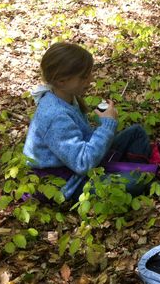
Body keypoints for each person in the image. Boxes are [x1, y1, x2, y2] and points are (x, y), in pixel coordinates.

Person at [23, 42, 153, 202]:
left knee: (136, 133)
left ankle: (135, 172)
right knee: (132, 183)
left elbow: (82, 141)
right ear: (61, 81)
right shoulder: (55, 115)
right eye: (84, 77)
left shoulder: (67, 97)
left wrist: (102, 124)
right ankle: (141, 179)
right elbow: (82, 163)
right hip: (67, 183)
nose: (90, 79)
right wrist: (107, 126)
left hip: (82, 166)